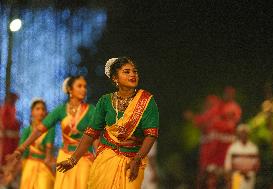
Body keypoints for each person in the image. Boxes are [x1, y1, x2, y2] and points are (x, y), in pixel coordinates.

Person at [57, 57, 159, 189]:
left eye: (135, 71)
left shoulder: (146, 101)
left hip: (133, 161)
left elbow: (151, 135)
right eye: (126, 72)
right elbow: (91, 133)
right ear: (115, 78)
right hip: (105, 160)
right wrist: (73, 160)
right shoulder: (105, 101)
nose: (133, 74)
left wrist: (137, 158)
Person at [7, 75, 96, 189]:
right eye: (79, 86)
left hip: (84, 158)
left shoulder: (91, 110)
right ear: (70, 89)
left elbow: (95, 137)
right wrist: (22, 148)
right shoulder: (61, 110)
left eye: (85, 86)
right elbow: (40, 130)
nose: (84, 89)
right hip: (64, 157)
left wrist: (99, 157)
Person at [19, 99, 55, 189]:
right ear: (32, 112)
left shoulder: (50, 129)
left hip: (44, 166)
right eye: (37, 109)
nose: (41, 112)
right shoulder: (27, 130)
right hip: (28, 165)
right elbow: (22, 151)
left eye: (43, 109)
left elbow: (48, 150)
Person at [224, 124, 259, 189]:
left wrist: (248, 173)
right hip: (236, 177)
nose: (244, 135)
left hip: (249, 177)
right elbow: (228, 165)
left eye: (245, 133)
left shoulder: (253, 148)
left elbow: (256, 165)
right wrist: (229, 178)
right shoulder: (233, 148)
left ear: (248, 134)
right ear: (238, 134)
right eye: (242, 133)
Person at [0, 93, 20, 166]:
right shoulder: (5, 107)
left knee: (12, 151)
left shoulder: (13, 107)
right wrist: (2, 128)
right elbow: (1, 118)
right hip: (5, 134)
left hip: (12, 135)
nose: (15, 100)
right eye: (14, 99)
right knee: (4, 151)